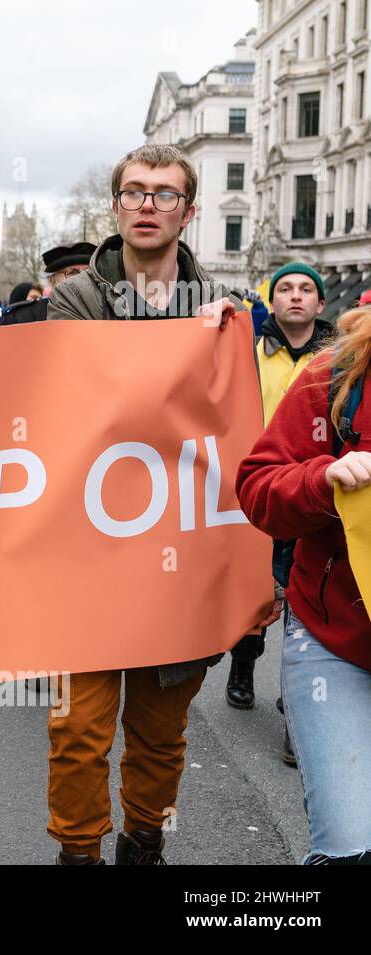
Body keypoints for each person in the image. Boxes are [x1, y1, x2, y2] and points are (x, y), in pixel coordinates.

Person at [44, 143, 247, 864]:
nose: (148, 205)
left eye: (164, 194)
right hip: (88, 550)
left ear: (189, 212)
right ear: (116, 207)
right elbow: (72, 401)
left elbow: (236, 440)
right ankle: (78, 852)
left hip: (179, 557)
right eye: (134, 192)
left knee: (161, 732)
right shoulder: (74, 299)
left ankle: (143, 839)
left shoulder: (228, 312)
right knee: (78, 730)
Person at [236, 307, 371, 864]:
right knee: (349, 849)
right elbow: (257, 487)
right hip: (335, 644)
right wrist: (322, 480)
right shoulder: (336, 375)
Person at [227, 263, 331, 716]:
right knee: (257, 587)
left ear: (320, 303)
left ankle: (296, 696)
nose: (295, 296)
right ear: (272, 301)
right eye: (285, 288)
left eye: (306, 289)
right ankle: (242, 667)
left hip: (315, 494)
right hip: (262, 490)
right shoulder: (248, 351)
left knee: (303, 595)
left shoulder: (339, 359)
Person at [0, 242, 95, 326]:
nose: (84, 278)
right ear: (52, 281)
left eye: (88, 272)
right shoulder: (20, 318)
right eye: (72, 273)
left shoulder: (105, 314)